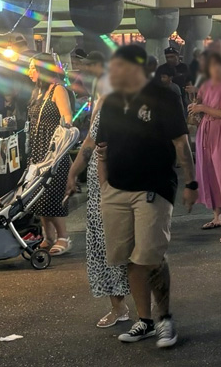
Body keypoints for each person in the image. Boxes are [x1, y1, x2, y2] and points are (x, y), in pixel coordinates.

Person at [94, 44, 196, 348]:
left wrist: (191, 183)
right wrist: (104, 187)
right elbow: (102, 148)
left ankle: (165, 320)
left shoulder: (164, 96)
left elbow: (181, 143)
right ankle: (146, 321)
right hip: (117, 188)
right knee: (129, 258)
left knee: (150, 257)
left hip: (154, 186)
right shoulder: (111, 101)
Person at [65, 91, 130, 328]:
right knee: (104, 247)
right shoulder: (105, 103)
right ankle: (118, 306)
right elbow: (90, 143)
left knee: (127, 247)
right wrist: (73, 173)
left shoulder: (140, 104)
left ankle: (145, 310)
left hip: (123, 185)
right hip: (98, 189)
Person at [27, 54, 74, 256]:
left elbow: (67, 118)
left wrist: (60, 143)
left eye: (32, 67)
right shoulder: (39, 91)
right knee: (38, 195)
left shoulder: (58, 89)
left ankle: (63, 237)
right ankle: (48, 237)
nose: (29, 72)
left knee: (52, 194)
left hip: (53, 151)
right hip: (37, 150)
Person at [188, 49, 221, 230]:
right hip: (206, 130)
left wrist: (202, 108)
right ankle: (217, 216)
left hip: (220, 130)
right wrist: (195, 107)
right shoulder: (205, 85)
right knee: (209, 172)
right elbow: (200, 106)